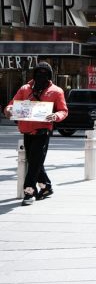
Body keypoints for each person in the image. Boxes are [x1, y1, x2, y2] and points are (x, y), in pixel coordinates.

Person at [4, 62, 68, 206]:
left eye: (45, 73)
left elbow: (63, 110)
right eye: (39, 72)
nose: (41, 75)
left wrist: (55, 116)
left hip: (43, 131)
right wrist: (8, 110)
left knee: (34, 162)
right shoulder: (25, 89)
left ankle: (29, 191)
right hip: (26, 130)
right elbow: (12, 104)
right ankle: (46, 186)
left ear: (50, 75)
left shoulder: (56, 91)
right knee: (34, 160)